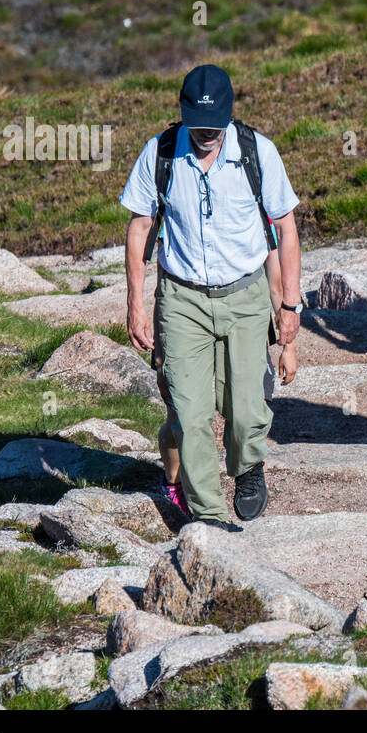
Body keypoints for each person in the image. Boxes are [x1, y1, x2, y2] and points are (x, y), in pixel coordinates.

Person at [121, 64, 303, 531]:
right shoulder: (160, 153)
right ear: (182, 113)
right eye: (197, 125)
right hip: (181, 301)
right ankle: (209, 517)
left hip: (245, 296)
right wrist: (135, 303)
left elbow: (285, 227)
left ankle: (247, 467)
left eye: (214, 126)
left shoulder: (257, 151)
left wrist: (289, 306)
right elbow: (140, 226)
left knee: (246, 405)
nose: (206, 134)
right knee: (189, 412)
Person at [153, 218, 299, 516]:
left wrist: (289, 346)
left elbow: (274, 280)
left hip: (241, 307)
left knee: (243, 402)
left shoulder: (251, 210)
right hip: (184, 310)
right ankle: (175, 484)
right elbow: (162, 277)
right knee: (182, 414)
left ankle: (247, 470)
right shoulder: (178, 204)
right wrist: (158, 336)